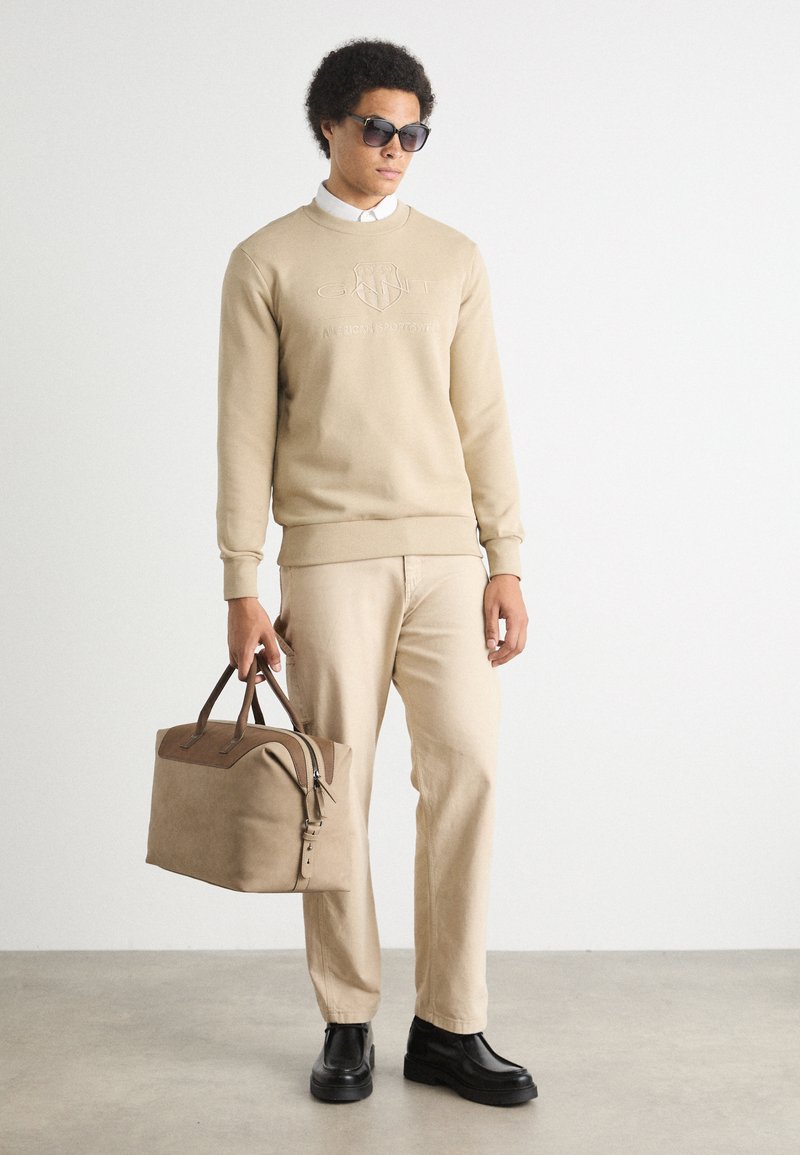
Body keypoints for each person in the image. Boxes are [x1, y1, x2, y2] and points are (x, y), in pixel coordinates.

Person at [216, 37, 537, 1108]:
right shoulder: (265, 259)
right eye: (376, 128)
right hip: (329, 559)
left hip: (448, 558)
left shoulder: (453, 257)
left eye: (413, 133)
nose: (395, 148)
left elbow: (483, 416)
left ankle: (449, 1024)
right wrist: (241, 582)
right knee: (335, 790)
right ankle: (347, 1018)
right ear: (328, 127)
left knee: (467, 774)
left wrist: (505, 558)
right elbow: (242, 432)